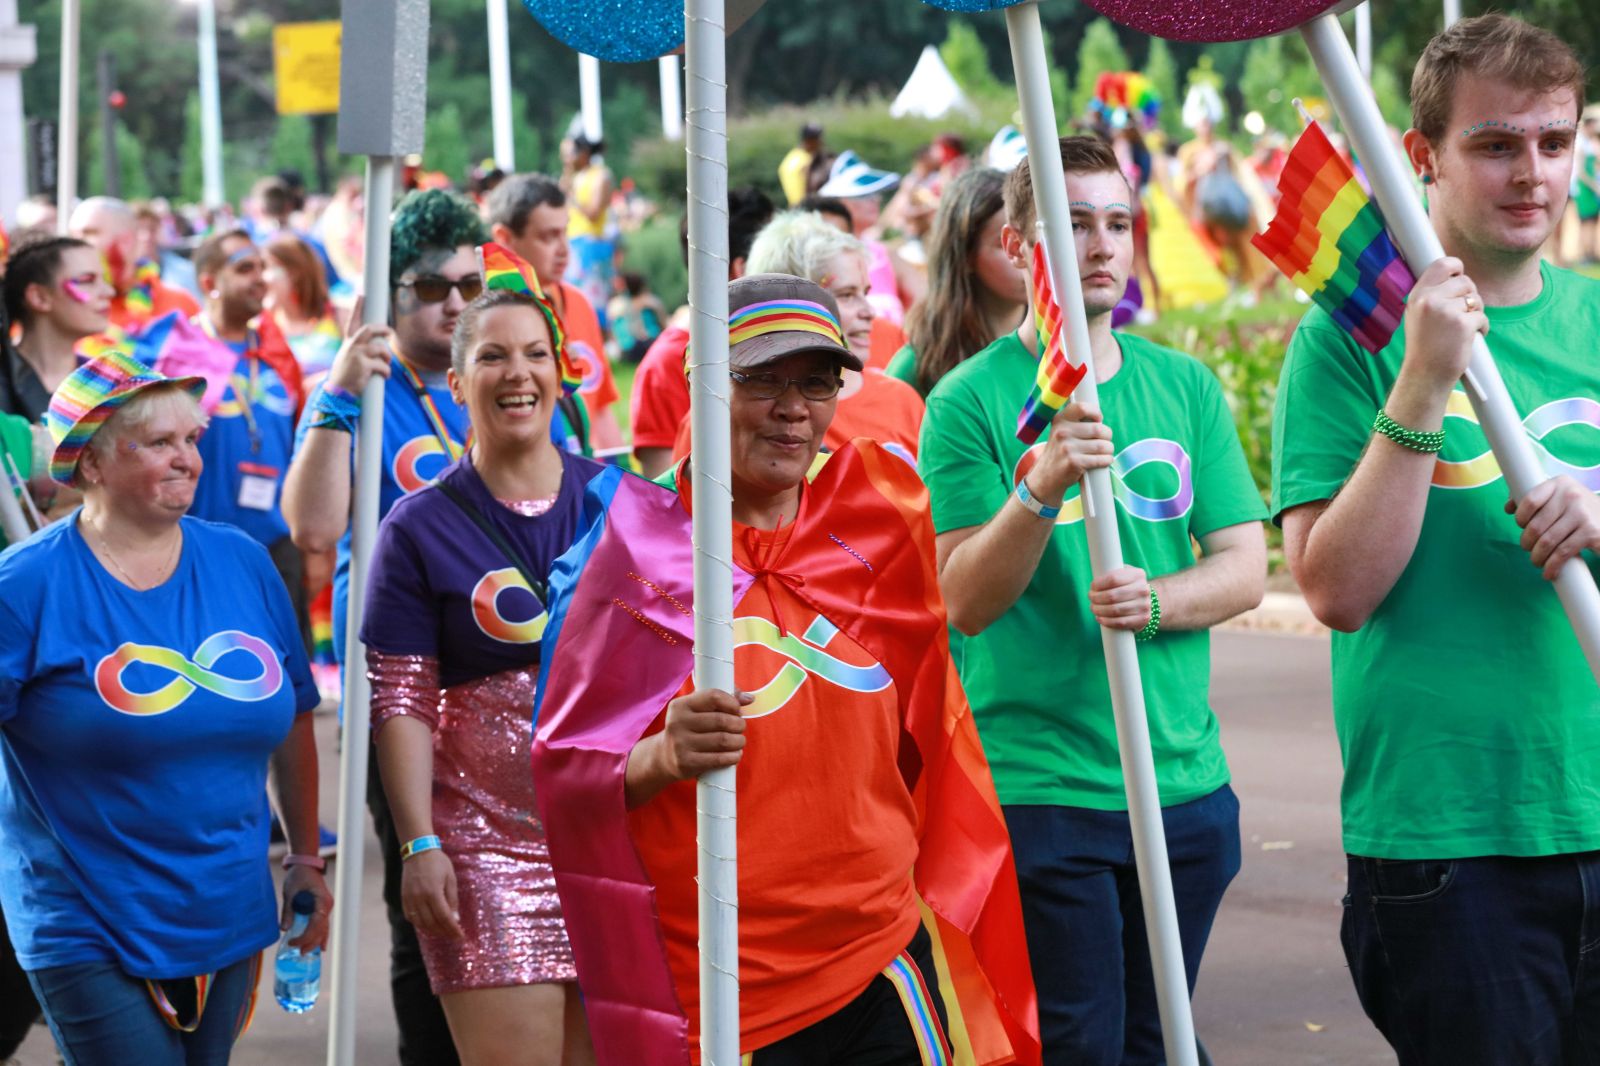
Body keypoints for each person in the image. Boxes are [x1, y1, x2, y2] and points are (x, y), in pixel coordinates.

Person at [531, 272, 1039, 1065]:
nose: (794, 408)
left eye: (816, 382)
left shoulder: (874, 519)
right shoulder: (627, 552)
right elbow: (558, 774)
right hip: (724, 989)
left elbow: (930, 729)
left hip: (884, 953)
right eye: (761, 380)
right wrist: (661, 756)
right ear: (701, 385)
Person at [1272, 15, 1600, 1064]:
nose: (1533, 174)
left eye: (1555, 142)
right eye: (1496, 143)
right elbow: (1335, 589)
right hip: (1448, 846)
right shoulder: (1347, 339)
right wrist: (1423, 374)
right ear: (1421, 156)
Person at [920, 136, 1266, 1066]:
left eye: (1117, 221)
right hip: (1046, 793)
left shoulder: (1183, 385)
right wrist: (1038, 488)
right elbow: (965, 600)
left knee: (1164, 1040)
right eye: (1074, 224)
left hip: (1185, 786)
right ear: (1020, 242)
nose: (1103, 245)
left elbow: (1245, 565)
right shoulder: (967, 402)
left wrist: (1155, 599)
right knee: (1080, 1042)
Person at [0, 346, 330, 1064]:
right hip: (83, 916)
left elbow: (294, 715)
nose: (188, 459)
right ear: (91, 463)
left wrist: (305, 856)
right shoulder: (23, 587)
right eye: (159, 443)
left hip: (226, 907)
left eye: (191, 439)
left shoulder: (242, 561)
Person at [365, 276, 601, 1065]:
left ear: (560, 372)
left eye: (537, 354)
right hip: (484, 850)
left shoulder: (621, 504)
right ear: (458, 382)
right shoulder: (416, 528)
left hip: (616, 842)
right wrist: (417, 845)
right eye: (493, 357)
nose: (519, 373)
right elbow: (401, 699)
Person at [188, 230, 309, 645]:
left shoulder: (277, 354)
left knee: (289, 679)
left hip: (278, 544)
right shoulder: (179, 353)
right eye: (244, 268)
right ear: (209, 283)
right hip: (198, 546)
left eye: (262, 267)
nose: (260, 278)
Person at [731, 209, 924, 464]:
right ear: (790, 303)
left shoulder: (901, 400)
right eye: (846, 294)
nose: (869, 311)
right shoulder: (727, 413)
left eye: (865, 292)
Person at [629, 187, 773, 478]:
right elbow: (661, 495)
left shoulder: (774, 347)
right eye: (777, 258)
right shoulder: (668, 363)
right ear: (742, 268)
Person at [486, 173, 623, 451]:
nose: (564, 249)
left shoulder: (579, 304)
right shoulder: (487, 321)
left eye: (565, 232)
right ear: (505, 238)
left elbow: (601, 409)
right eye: (548, 237)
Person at [1, 234, 116, 528]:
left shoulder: (112, 385)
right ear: (39, 297)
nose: (108, 291)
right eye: (87, 280)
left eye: (103, 279)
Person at [886, 167, 1027, 398]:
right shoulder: (917, 368)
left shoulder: (1063, 348)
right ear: (964, 254)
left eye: (1033, 239)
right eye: (1006, 244)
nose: (1026, 256)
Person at [68, 197, 199, 332]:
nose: (74, 244)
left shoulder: (177, 308)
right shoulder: (64, 309)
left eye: (89, 233)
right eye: (72, 235)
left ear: (126, 241)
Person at [263, 232, 344, 381]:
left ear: (293, 273)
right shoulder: (261, 327)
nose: (261, 278)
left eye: (266, 267)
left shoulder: (340, 317)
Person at [561, 137, 615, 325]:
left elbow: (593, 212)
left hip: (592, 243)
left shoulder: (601, 175)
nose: (567, 159)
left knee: (596, 299)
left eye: (570, 154)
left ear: (582, 154)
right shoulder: (574, 177)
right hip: (572, 242)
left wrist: (572, 195)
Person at [604, 272, 664, 365]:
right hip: (646, 346)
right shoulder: (650, 303)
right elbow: (662, 323)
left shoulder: (616, 304)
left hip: (625, 350)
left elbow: (611, 331)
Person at [778, 122, 824, 206]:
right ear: (809, 141)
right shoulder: (807, 161)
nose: (821, 142)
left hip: (795, 209)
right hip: (808, 209)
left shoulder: (790, 158)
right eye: (817, 138)